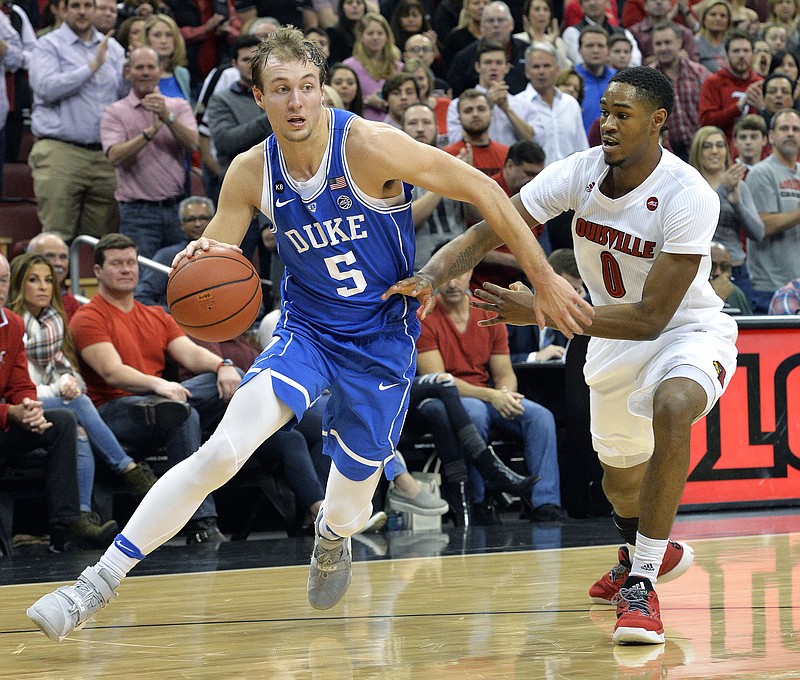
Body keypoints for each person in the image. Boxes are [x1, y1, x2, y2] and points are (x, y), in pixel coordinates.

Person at [26, 27, 590, 641]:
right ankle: (91, 587)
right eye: (280, 90)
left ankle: (332, 535)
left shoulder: (370, 145)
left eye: (306, 88)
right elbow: (218, 260)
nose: (295, 101)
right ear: (260, 96)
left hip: (381, 341)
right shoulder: (249, 171)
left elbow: (483, 188)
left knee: (350, 506)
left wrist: (543, 281)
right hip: (308, 332)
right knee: (221, 450)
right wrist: (201, 260)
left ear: (322, 91)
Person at [395, 66, 738, 645]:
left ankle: (642, 584)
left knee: (674, 405)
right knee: (620, 484)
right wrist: (431, 273)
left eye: (622, 115)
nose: (606, 123)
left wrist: (543, 312)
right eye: (604, 111)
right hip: (606, 336)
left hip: (685, 330)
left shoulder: (688, 194)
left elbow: (653, 316)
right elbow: (491, 229)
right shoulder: (580, 172)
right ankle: (641, 552)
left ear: (658, 122)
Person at [72, 233, 240, 543]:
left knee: (231, 380)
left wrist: (223, 366)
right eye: (117, 264)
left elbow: (189, 353)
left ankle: (218, 496)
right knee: (180, 414)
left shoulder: (155, 314)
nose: (127, 270)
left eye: (131, 263)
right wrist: (159, 384)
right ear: (97, 272)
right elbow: (112, 372)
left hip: (161, 401)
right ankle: (201, 521)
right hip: (115, 411)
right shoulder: (87, 317)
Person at [415, 265, 567, 524]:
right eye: (446, 277)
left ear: (470, 272)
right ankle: (479, 501)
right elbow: (440, 381)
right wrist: (491, 396)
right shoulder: (426, 315)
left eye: (458, 274)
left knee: (540, 417)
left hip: (488, 395)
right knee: (474, 413)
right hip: (453, 400)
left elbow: (505, 372)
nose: (452, 283)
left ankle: (544, 502)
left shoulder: (486, 310)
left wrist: (505, 394)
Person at [8, 253, 157, 502]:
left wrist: (72, 383)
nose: (43, 286)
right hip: (19, 407)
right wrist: (62, 388)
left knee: (79, 431)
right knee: (77, 403)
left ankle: (83, 515)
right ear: (19, 285)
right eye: (34, 280)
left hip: (52, 404)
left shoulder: (54, 322)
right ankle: (127, 468)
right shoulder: (12, 325)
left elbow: (66, 367)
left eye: (48, 280)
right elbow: (21, 387)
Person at [0, 254, 116, 552]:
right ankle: (127, 469)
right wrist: (10, 412)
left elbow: (20, 382)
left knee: (63, 421)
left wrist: (28, 407)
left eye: (1, 280)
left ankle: (68, 526)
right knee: (73, 407)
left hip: (6, 424)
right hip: (3, 417)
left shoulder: (12, 325)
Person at [28, 0, 127, 243]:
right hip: (60, 152)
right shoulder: (47, 45)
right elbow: (45, 88)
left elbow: (121, 97)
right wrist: (91, 67)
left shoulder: (113, 49)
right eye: (75, 6)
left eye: (87, 5)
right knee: (56, 238)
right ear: (63, 10)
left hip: (104, 156)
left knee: (102, 242)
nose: (82, 11)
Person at [100, 45, 199, 261]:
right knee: (141, 278)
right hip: (137, 213)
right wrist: (150, 132)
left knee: (179, 278)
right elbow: (114, 157)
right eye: (139, 67)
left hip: (176, 210)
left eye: (150, 67)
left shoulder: (178, 106)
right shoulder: (114, 112)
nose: (145, 72)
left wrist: (166, 116)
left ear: (159, 70)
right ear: (128, 72)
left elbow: (193, 143)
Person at [689, 125, 764, 306]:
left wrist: (737, 202)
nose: (715, 151)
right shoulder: (689, 184)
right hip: (699, 269)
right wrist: (722, 189)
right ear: (698, 151)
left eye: (720, 145)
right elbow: (698, 221)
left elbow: (758, 233)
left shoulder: (738, 185)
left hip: (736, 268)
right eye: (707, 146)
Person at [744, 107, 800, 312]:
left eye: (796, 129)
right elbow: (761, 226)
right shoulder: (761, 173)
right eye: (784, 128)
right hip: (770, 285)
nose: (791, 133)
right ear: (771, 136)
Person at [402, 102, 468, 269]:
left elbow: (477, 218)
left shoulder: (452, 165)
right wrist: (443, 182)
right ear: (401, 130)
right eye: (412, 123)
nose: (420, 129)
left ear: (437, 129)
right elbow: (407, 220)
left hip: (460, 263)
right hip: (419, 267)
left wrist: (467, 180)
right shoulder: (393, 172)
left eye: (426, 122)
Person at [446, 38, 535, 146]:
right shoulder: (457, 105)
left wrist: (507, 110)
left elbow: (532, 141)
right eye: (488, 62)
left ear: (507, 67)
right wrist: (487, 103)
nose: (493, 68)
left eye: (498, 63)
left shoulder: (522, 103)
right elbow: (455, 141)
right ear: (478, 67)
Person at [512, 42, 588, 166]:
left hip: (570, 179)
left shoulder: (570, 103)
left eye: (547, 66)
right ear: (527, 71)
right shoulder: (517, 104)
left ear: (557, 70)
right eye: (536, 67)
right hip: (534, 179)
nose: (542, 71)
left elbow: (581, 146)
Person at [136, 195, 215, 309]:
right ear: (181, 225)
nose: (197, 224)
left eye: (203, 218)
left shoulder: (227, 254)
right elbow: (141, 297)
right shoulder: (167, 256)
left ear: (214, 221)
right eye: (191, 219)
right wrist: (173, 317)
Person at [651, 21, 711, 160]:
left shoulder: (701, 74)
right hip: (664, 155)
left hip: (700, 150)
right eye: (658, 44)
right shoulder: (648, 79)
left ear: (679, 43)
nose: (663, 48)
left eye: (668, 42)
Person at [446, 1, 529, 98]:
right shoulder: (464, 58)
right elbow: (456, 94)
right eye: (490, 21)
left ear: (512, 24)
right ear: (481, 27)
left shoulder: (527, 51)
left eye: (501, 20)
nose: (496, 25)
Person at [699, 30, 764, 147]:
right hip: (723, 148)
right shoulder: (713, 82)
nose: (741, 55)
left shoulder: (760, 83)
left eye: (746, 51)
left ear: (753, 55)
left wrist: (762, 109)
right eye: (736, 51)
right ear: (727, 55)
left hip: (758, 149)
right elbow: (706, 122)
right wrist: (738, 107)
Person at [342, 12, 402, 121]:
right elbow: (341, 99)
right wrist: (367, 101)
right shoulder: (349, 66)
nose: (375, 37)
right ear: (361, 36)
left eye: (380, 33)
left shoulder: (398, 67)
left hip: (394, 124)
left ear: (387, 37)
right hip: (360, 122)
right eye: (370, 33)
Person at [444, 89, 510, 177]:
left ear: (491, 113)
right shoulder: (448, 155)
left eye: (481, 109)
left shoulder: (506, 154)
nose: (475, 114)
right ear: (459, 118)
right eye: (468, 111)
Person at [562, 0, 642, 68]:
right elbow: (580, 61)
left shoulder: (623, 33)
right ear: (581, 7)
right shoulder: (572, 32)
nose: (592, 3)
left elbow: (635, 62)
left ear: (608, 3)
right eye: (587, 0)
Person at [26, 233, 81, 321]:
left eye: (63, 257)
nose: (58, 263)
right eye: (50, 256)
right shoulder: (12, 301)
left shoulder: (70, 302)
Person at [628, 0, 699, 64]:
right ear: (645, 6)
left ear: (670, 4)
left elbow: (694, 61)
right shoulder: (633, 33)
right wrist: (674, 55)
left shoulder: (684, 33)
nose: (659, 2)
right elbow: (632, 62)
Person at [575, 26, 616, 133]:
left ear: (608, 50)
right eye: (589, 46)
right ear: (579, 50)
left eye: (600, 46)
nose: (595, 50)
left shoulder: (619, 79)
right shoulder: (571, 80)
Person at [143, 14, 191, 100]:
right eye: (157, 35)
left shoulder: (183, 74)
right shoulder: (139, 73)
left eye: (169, 35)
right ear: (147, 39)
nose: (163, 41)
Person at [709, 241, 753, 313]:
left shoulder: (736, 293)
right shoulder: (691, 294)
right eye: (712, 266)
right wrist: (716, 298)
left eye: (724, 267)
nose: (718, 273)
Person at [694, 0, 733, 73]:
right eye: (713, 14)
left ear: (728, 21)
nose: (718, 19)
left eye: (723, 15)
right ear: (704, 19)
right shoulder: (695, 43)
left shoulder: (732, 43)